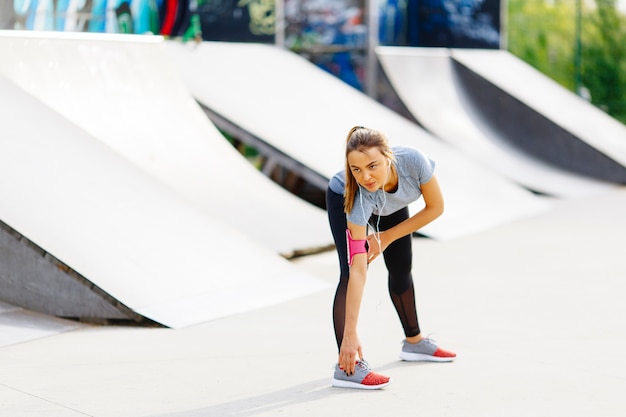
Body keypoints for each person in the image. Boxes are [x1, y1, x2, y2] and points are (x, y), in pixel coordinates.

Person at [326, 126, 456, 390]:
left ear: (389, 156)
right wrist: (352, 334)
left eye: (372, 165)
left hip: (392, 205)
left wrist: (385, 237)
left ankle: (414, 342)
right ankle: (347, 364)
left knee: (401, 267)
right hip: (343, 199)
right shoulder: (357, 195)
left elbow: (436, 207)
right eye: (356, 169)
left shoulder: (413, 162)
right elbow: (359, 271)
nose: (366, 176)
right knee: (349, 274)